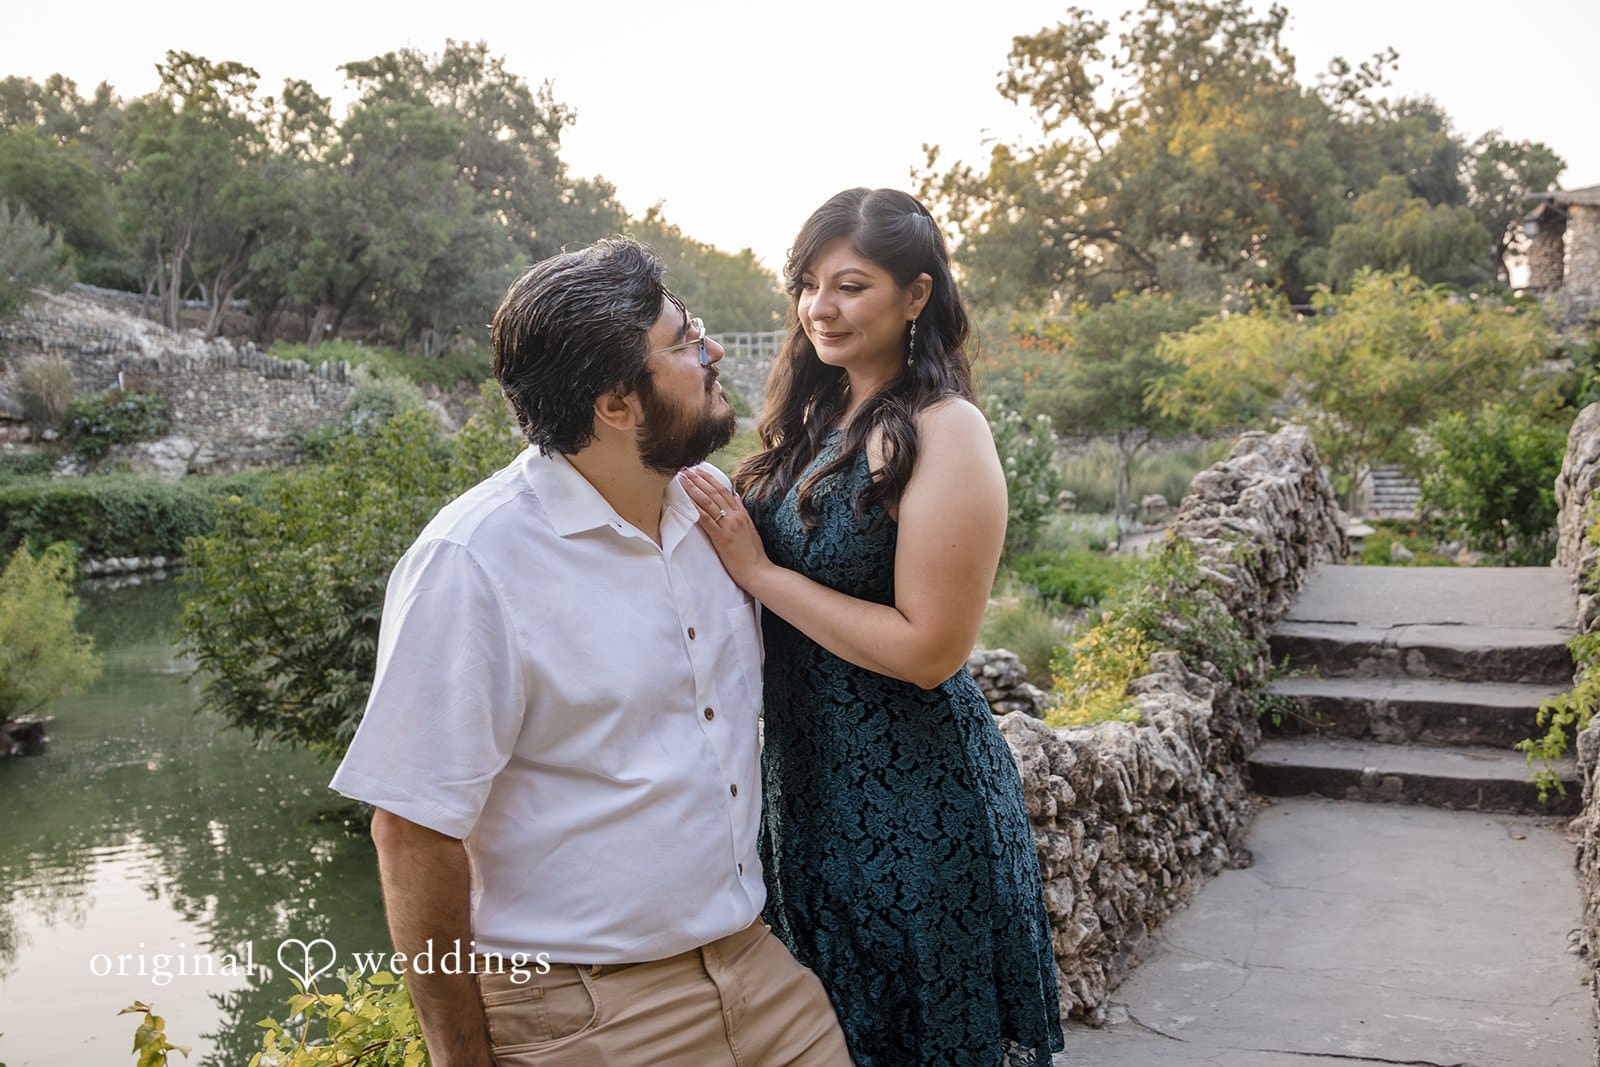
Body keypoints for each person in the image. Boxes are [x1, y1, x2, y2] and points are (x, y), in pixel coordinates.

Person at [330, 237, 851, 1067]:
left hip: (758, 971)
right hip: (589, 1014)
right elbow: (410, 831)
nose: (711, 351)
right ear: (616, 402)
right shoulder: (474, 563)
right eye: (683, 342)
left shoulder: (709, 514)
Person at [678, 188, 1065, 1067]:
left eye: (850, 285)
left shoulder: (945, 431)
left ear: (917, 296)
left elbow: (932, 649)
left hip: (916, 797)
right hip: (806, 793)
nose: (821, 307)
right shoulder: (809, 423)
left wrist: (761, 573)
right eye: (809, 283)